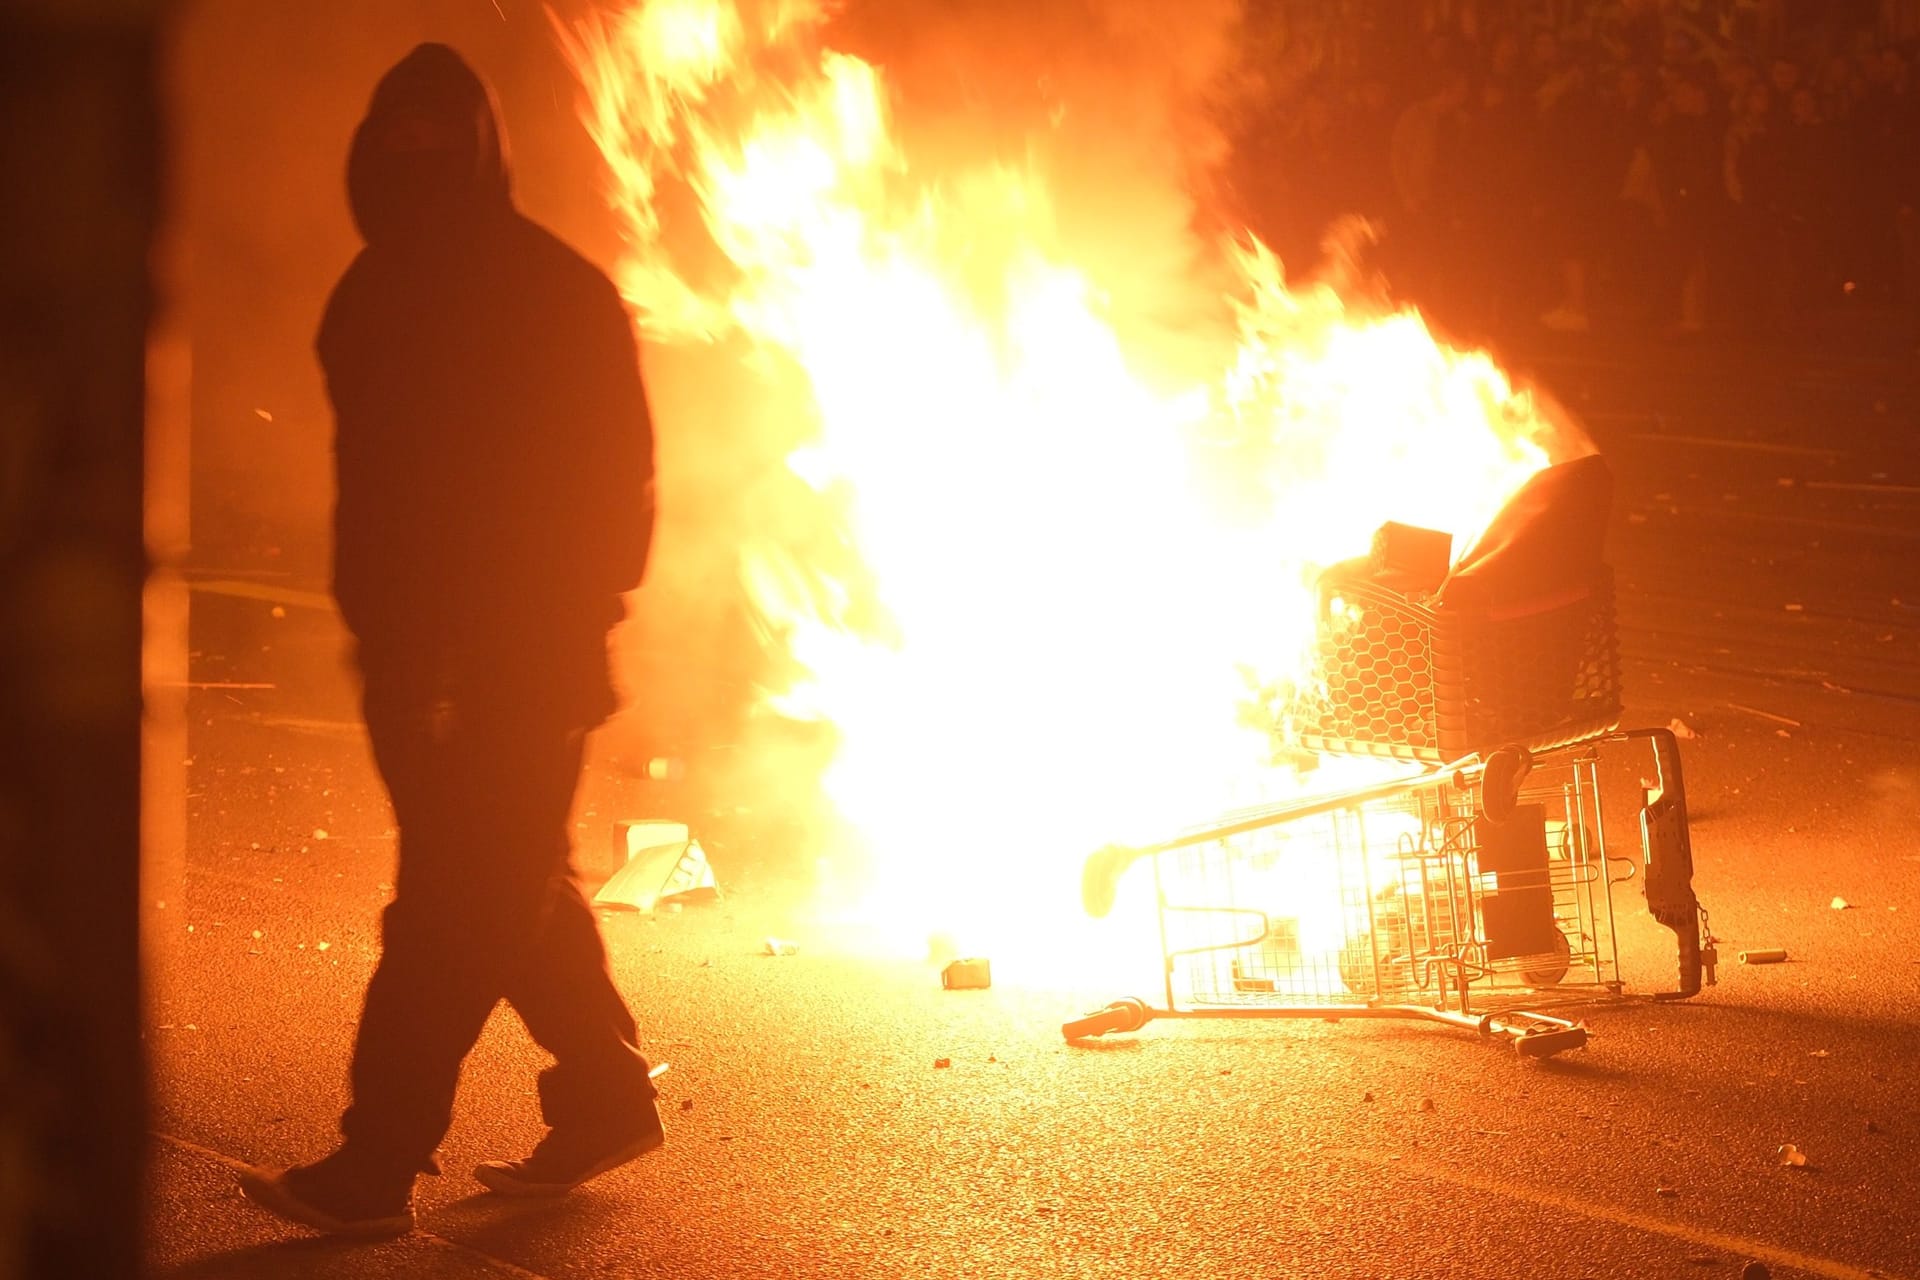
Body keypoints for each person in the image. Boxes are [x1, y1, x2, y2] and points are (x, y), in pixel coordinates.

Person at [239, 43, 661, 1239]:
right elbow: (372, 484)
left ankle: (377, 1162)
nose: (418, 169)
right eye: (397, 148)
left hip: (526, 660)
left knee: (447, 903)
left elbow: (615, 482)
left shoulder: (556, 292)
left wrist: (575, 619)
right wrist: (382, 625)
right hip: (410, 658)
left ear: (481, 155)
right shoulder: (367, 294)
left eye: (440, 146)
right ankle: (608, 1093)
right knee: (505, 880)